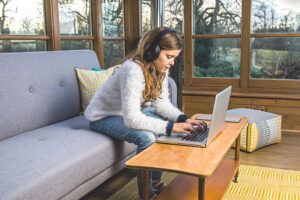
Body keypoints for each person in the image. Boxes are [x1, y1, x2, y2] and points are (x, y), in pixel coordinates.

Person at [84, 26, 207, 199]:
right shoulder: (132, 70)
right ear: (152, 51)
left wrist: (184, 119)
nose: (172, 62)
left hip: (124, 113)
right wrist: (172, 127)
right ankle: (147, 194)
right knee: (148, 137)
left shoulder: (160, 69)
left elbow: (161, 104)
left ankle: (156, 181)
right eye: (169, 57)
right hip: (103, 116)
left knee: (165, 131)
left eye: (174, 58)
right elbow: (133, 119)